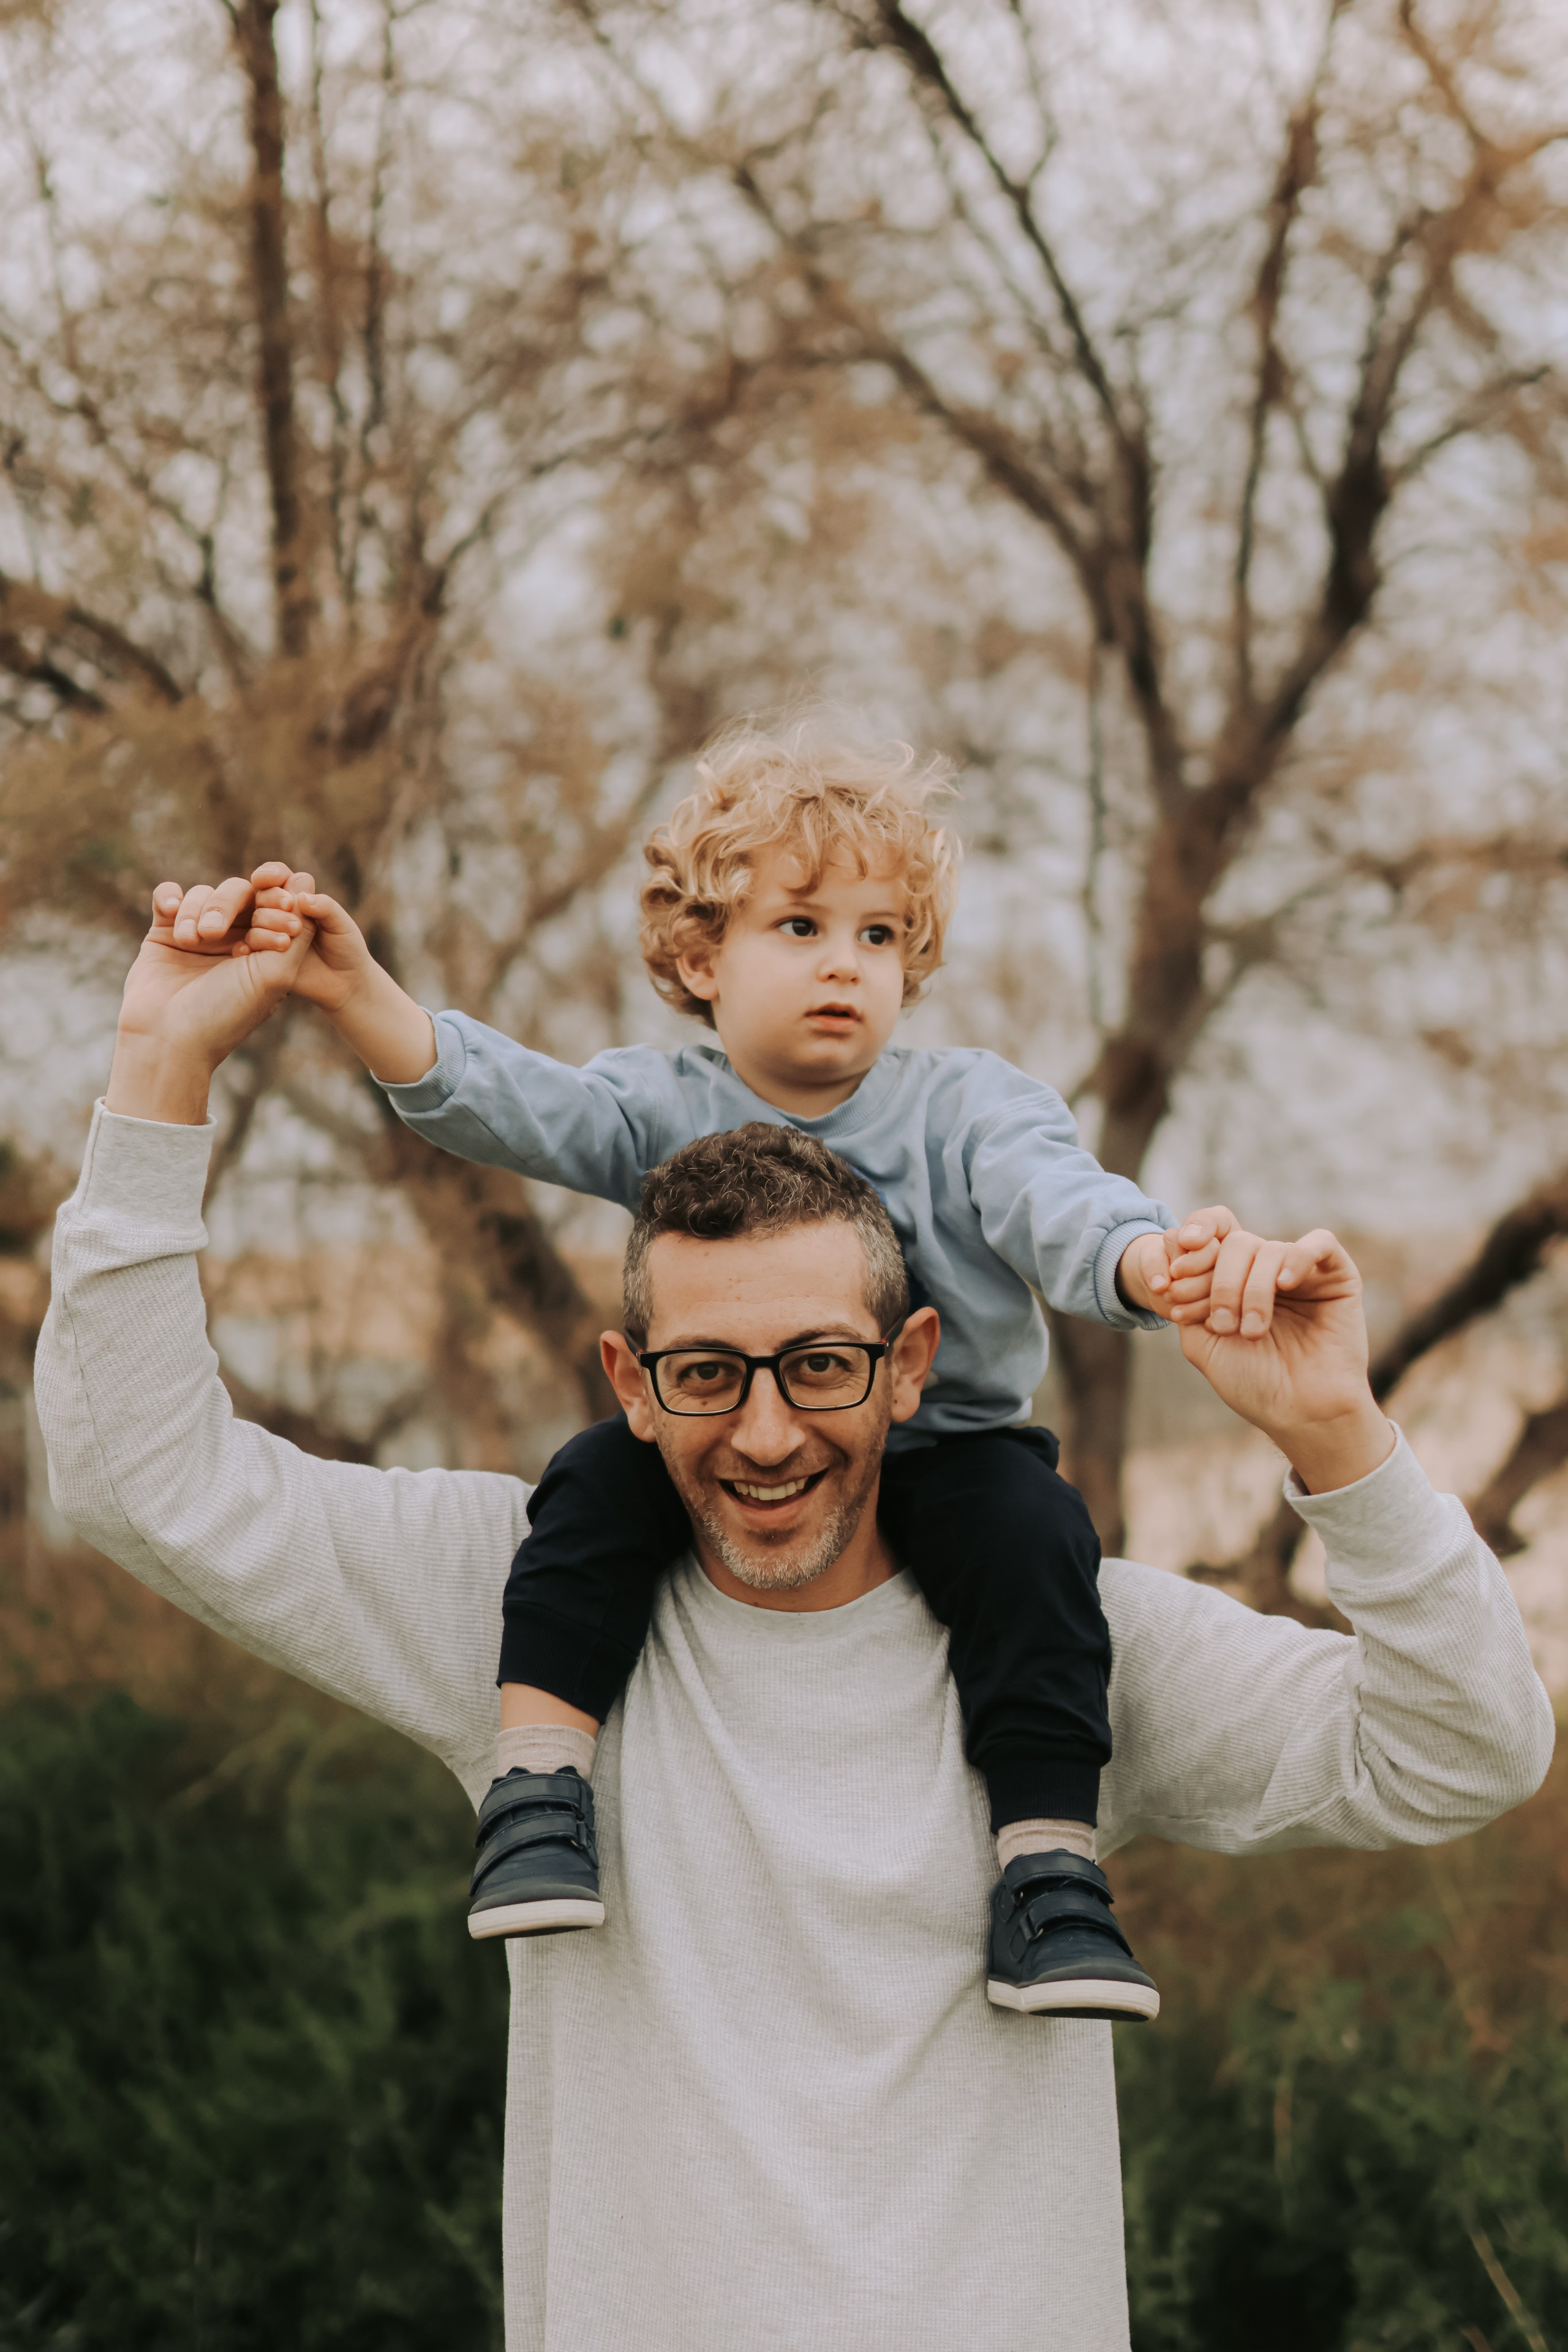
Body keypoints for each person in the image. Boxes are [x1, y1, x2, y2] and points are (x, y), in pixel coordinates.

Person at [36, 895, 1555, 2351]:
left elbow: (1464, 1750)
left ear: (908, 1366)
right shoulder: (519, 1610)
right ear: (631, 1386)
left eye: (820, 1366)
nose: (764, 1435)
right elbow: (133, 1474)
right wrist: (161, 1066)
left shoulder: (1065, 1646)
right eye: (707, 1375)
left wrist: (1339, 1442)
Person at [148, 725, 1275, 2020]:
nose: (844, 966)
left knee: (1042, 1554)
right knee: (585, 1489)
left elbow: (1056, 1207)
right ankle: (538, 1788)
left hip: (953, 1447)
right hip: (732, 1441)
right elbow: (509, 1105)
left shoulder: (970, 1106)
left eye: (877, 937)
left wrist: (1149, 1268)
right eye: (799, 928)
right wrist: (358, 998)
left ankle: (1044, 1876)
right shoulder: (662, 1099)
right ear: (701, 956)